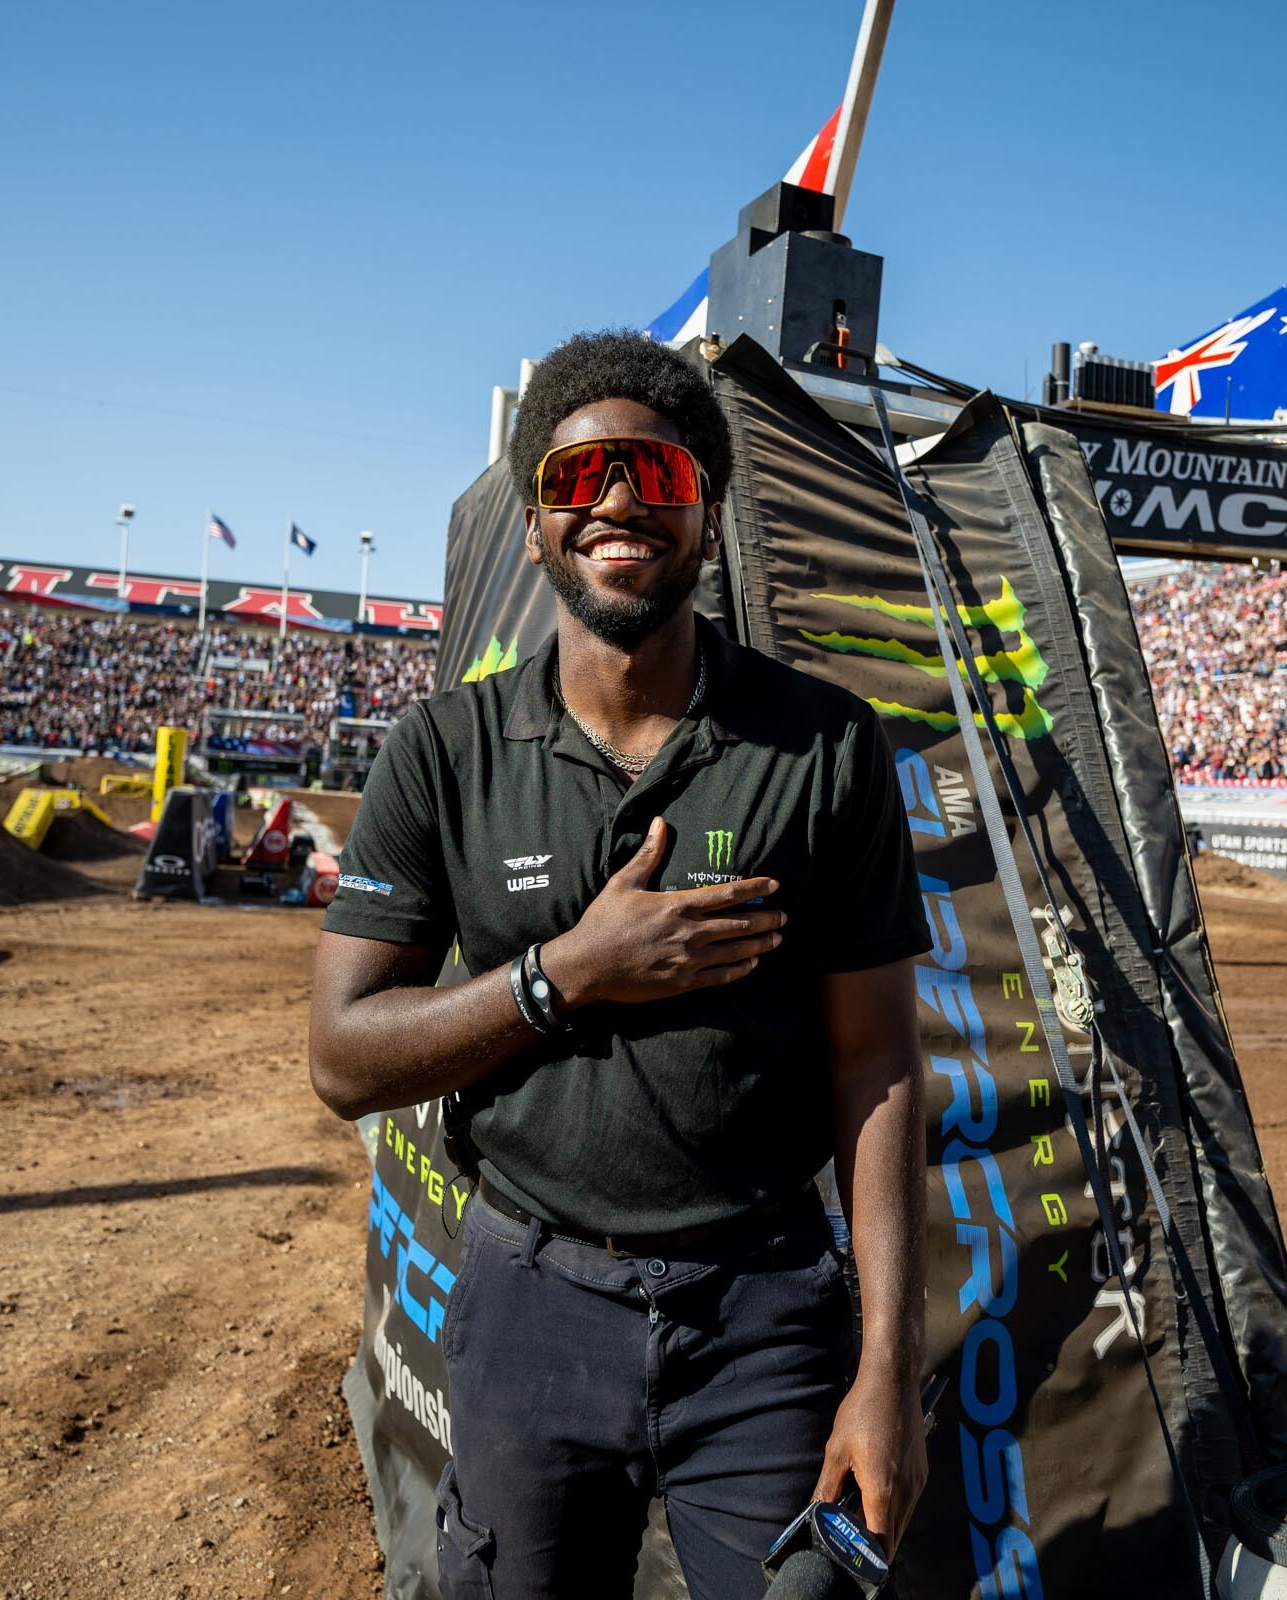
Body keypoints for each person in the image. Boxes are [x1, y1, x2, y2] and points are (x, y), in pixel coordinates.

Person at [306, 332, 931, 1600]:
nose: (619, 503)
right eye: (578, 477)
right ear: (537, 523)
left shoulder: (825, 748)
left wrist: (887, 1368)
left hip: (765, 1313)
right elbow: (343, 1057)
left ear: (708, 511)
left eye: (659, 473)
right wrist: (566, 974)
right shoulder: (444, 752)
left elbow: (877, 1062)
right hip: (530, 1298)